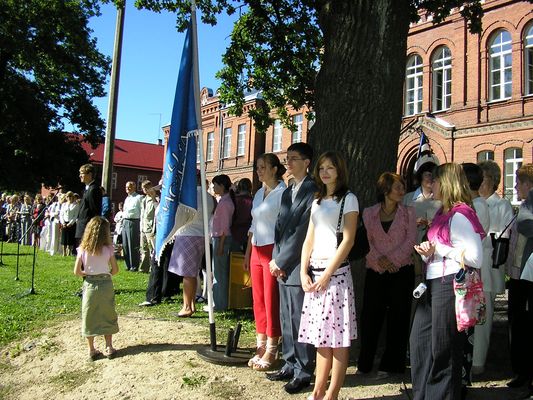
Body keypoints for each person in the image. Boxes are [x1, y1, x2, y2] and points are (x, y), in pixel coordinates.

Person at [411, 163, 484, 400]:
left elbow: (475, 257)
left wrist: (439, 248)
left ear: (447, 183)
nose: (431, 184)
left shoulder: (461, 214)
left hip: (449, 284)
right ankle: (423, 394)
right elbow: (438, 249)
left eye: (435, 180)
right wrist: (426, 251)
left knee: (443, 349)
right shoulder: (443, 213)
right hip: (433, 282)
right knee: (420, 343)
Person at [299, 151, 358, 400]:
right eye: (322, 168)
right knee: (322, 338)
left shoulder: (349, 199)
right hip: (316, 275)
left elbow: (349, 240)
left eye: (330, 168)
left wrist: (327, 275)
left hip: (336, 277)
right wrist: (303, 271)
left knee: (339, 340)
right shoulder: (317, 201)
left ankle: (332, 393)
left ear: (339, 171)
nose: (325, 172)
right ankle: (318, 390)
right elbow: (309, 239)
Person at [265, 143, 317, 393]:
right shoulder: (287, 191)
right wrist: (276, 260)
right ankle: (289, 362)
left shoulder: (313, 190)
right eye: (287, 159)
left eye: (294, 159)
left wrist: (281, 261)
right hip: (282, 265)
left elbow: (303, 232)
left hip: (299, 265)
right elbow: (279, 228)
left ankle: (304, 370)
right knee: (286, 317)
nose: (289, 163)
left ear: (307, 162)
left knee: (299, 319)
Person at [356, 172, 416, 378]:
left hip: (402, 272)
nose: (402, 191)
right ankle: (365, 362)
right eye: (397, 187)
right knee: (370, 318)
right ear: (385, 190)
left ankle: (392, 364)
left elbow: (411, 241)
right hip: (375, 272)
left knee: (398, 318)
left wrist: (393, 261)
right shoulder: (369, 212)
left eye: (403, 186)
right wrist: (379, 260)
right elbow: (367, 241)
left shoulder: (409, 212)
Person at [244, 153, 287, 371]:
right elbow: (254, 224)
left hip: (272, 249)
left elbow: (286, 226)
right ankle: (260, 344)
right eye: (257, 167)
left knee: (271, 300)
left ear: (274, 169)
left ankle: (272, 346)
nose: (259, 170)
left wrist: (280, 256)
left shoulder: (283, 193)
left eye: (263, 167)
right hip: (256, 250)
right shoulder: (259, 192)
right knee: (258, 299)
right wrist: (247, 252)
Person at [473, 160, 513, 375]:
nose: (480, 183)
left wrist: (483, 237)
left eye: (485, 179)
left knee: (484, 314)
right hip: (473, 265)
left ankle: (479, 360)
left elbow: (505, 235)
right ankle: (469, 355)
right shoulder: (473, 202)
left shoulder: (501, 205)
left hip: (488, 265)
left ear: (494, 181)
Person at [167, 173, 215, 316]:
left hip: (188, 233)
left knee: (187, 273)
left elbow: (181, 215)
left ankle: (187, 306)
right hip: (201, 234)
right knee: (193, 273)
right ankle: (191, 304)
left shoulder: (190, 196)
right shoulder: (209, 197)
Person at [73, 216, 119, 361]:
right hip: (105, 283)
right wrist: (107, 273)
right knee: (108, 312)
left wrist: (87, 273)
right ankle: (109, 346)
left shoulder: (83, 249)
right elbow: (115, 269)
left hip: (90, 284)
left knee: (89, 314)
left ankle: (91, 349)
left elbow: (77, 271)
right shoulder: (108, 249)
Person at [505, 164, 533, 391]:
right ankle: (522, 372)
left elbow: (525, 226)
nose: (515, 186)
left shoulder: (528, 207)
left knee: (525, 324)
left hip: (528, 278)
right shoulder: (525, 206)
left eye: (519, 182)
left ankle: (526, 372)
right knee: (518, 323)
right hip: (518, 276)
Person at [211, 174, 235, 311]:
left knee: (220, 273)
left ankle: (220, 304)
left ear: (222, 186)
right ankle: (219, 302)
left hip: (221, 240)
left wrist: (220, 246)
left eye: (215, 185)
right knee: (219, 272)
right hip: (219, 239)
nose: (213, 187)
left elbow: (225, 227)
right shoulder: (223, 201)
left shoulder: (225, 203)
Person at [75, 164, 102, 245]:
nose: (80, 176)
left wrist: (92, 227)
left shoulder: (93, 189)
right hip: (82, 225)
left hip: (87, 226)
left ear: (89, 174)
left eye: (82, 173)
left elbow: (95, 210)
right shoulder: (87, 188)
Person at [121, 181, 142, 271]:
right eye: (126, 187)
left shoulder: (138, 197)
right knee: (125, 244)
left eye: (129, 187)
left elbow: (142, 211)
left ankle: (134, 265)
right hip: (125, 221)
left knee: (132, 244)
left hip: (134, 221)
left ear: (134, 187)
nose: (128, 189)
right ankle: (128, 264)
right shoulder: (127, 198)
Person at [230, 178, 253, 253]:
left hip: (234, 232)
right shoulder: (253, 200)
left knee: (233, 259)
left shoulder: (234, 199)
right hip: (248, 233)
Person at [139, 180, 158, 273]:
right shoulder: (143, 200)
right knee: (144, 249)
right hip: (143, 227)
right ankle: (143, 268)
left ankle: (152, 267)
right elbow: (142, 215)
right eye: (144, 188)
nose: (146, 190)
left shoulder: (156, 199)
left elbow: (157, 211)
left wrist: (154, 198)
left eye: (147, 188)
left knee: (152, 250)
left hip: (151, 228)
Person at [59, 191, 80, 256]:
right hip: (64, 223)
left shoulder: (76, 205)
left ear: (73, 197)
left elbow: (75, 216)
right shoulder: (64, 205)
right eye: (68, 196)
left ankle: (69, 252)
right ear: (66, 197)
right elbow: (61, 214)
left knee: (70, 239)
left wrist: (70, 223)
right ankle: (64, 252)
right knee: (64, 238)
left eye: (70, 196)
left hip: (71, 224)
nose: (69, 198)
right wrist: (63, 223)